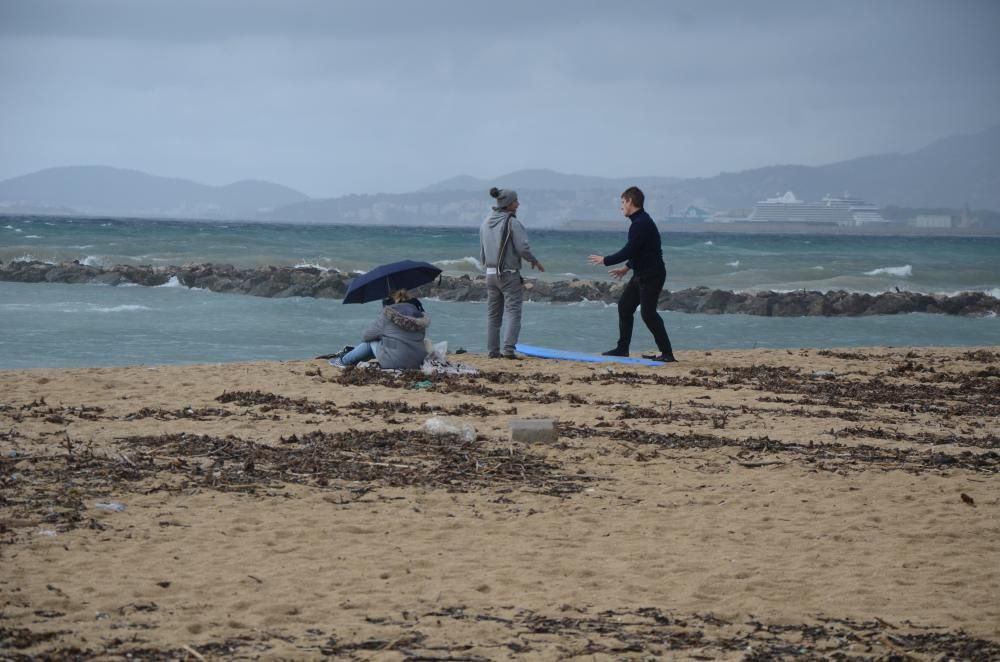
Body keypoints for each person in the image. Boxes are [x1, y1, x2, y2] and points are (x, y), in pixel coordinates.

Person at [588, 186, 677, 362]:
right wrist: (626, 268)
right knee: (625, 306)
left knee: (648, 313)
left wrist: (605, 260)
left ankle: (667, 353)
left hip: (652, 275)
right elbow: (640, 251)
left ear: (630, 201)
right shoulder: (640, 222)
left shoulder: (641, 224)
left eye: (623, 202)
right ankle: (622, 349)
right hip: (641, 273)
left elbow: (629, 250)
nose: (621, 207)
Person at [479, 187, 544, 359]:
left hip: (490, 274)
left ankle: (493, 351)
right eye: (516, 201)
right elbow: (523, 248)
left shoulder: (485, 222)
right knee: (513, 312)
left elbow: (483, 250)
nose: (518, 204)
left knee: (493, 315)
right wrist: (534, 260)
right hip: (508, 274)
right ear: (509, 203)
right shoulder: (512, 222)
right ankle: (508, 350)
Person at [332, 289, 430, 369]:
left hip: (395, 363)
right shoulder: (419, 315)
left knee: (372, 341)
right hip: (417, 362)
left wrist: (382, 335)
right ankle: (347, 356)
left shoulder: (387, 316)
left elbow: (366, 336)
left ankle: (343, 361)